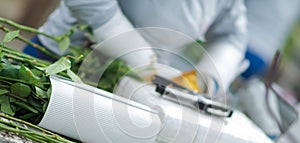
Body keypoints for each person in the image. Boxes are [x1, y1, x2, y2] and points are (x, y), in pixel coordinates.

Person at [23, 0, 247, 97]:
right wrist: (141, 58)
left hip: (138, 88)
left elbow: (232, 34)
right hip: (59, 61)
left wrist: (206, 78)